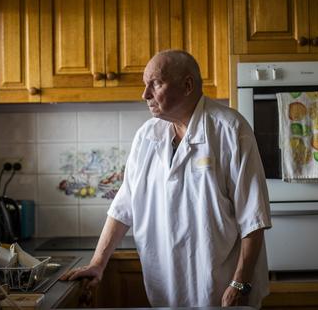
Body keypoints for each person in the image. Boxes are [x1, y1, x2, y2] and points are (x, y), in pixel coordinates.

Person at [60, 49, 272, 308]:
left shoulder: (230, 130)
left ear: (187, 85)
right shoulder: (146, 136)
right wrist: (97, 264)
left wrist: (240, 283)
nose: (145, 94)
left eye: (156, 84)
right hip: (166, 289)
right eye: (145, 85)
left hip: (223, 290)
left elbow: (253, 218)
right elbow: (124, 206)